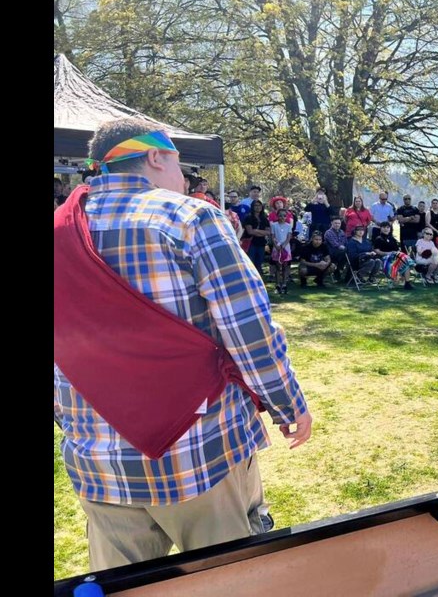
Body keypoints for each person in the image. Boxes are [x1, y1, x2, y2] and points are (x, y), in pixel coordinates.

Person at [53, 118, 312, 572]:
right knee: (230, 578)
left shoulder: (58, 232)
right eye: (180, 164)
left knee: (122, 587)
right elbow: (250, 331)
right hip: (199, 453)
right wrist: (289, 405)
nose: (185, 179)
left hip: (100, 462)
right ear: (156, 156)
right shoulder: (190, 217)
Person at [372, 221, 417, 290]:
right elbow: (376, 251)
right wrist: (388, 253)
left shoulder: (392, 238)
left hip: (395, 258)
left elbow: (397, 250)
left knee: (406, 264)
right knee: (403, 260)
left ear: (390, 229)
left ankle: (407, 283)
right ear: (380, 228)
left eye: (387, 227)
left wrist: (394, 253)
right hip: (385, 259)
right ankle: (412, 264)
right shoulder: (378, 239)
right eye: (384, 227)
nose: (386, 229)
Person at [243, 199, 271, 277]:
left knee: (259, 262)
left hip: (261, 243)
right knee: (250, 262)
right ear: (252, 207)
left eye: (259, 205)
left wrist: (256, 231)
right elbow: (250, 232)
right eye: (256, 205)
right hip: (251, 243)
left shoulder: (264, 218)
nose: (258, 207)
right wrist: (261, 232)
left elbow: (268, 232)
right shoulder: (248, 217)